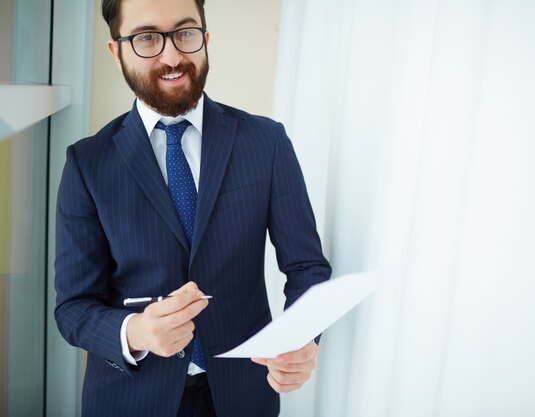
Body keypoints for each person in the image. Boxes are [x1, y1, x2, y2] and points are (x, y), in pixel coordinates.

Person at [54, 0, 331, 415]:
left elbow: (307, 267)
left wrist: (303, 337)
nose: (172, 57)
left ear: (205, 38)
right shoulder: (87, 163)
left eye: (185, 33)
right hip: (129, 399)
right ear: (117, 52)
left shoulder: (266, 143)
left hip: (243, 394)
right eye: (147, 38)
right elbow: (73, 309)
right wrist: (137, 333)